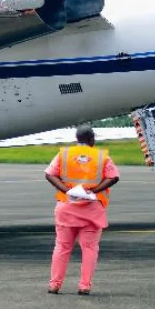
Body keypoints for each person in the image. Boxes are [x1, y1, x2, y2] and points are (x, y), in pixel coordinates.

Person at [43, 126, 119, 295]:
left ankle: (54, 284)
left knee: (62, 247)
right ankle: (84, 286)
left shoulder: (64, 154)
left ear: (77, 138)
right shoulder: (102, 157)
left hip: (67, 207)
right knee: (90, 248)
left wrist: (66, 190)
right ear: (92, 139)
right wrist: (95, 191)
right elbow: (114, 177)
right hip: (92, 209)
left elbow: (49, 174)